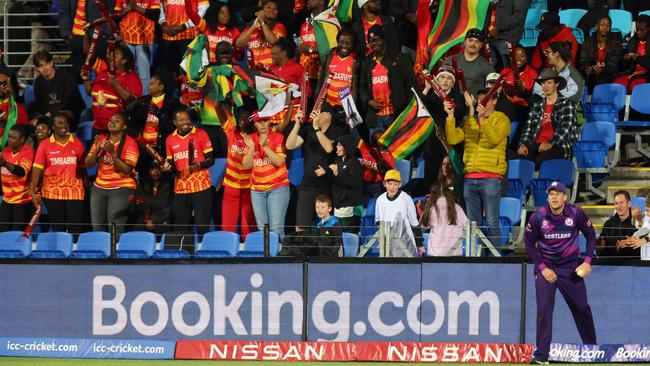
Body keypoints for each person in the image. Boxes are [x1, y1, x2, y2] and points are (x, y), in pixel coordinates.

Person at [525, 180, 597, 364]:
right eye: (551, 194)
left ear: (565, 197)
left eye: (558, 193)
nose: (554, 197)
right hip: (546, 269)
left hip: (570, 269)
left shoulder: (575, 213)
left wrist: (587, 262)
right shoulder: (538, 217)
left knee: (582, 308)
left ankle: (592, 350)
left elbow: (591, 236)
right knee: (544, 311)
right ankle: (541, 355)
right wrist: (543, 268)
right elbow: (529, 244)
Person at [445, 88, 510, 252]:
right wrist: (451, 117)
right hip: (470, 178)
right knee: (474, 224)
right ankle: (477, 257)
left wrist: (482, 120)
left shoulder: (502, 119)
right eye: (479, 99)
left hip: (491, 177)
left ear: (494, 101)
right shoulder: (470, 121)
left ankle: (496, 258)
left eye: (486, 100)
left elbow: (495, 139)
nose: (481, 103)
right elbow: (453, 139)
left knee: (492, 221)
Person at [286, 108, 344, 229]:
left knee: (324, 225)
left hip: (325, 185)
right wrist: (297, 124)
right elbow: (290, 145)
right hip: (306, 185)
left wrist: (317, 128)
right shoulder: (308, 129)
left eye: (319, 112)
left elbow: (329, 148)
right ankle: (301, 247)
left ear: (328, 115)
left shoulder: (336, 131)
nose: (314, 114)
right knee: (301, 225)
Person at [31, 113, 85, 234]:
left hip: (74, 192)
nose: (64, 126)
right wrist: (32, 191)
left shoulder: (77, 142)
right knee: (58, 228)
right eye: (59, 123)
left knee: (75, 229)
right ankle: (61, 251)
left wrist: (85, 183)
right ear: (53, 127)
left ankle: (74, 252)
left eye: (65, 123)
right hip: (52, 192)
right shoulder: (44, 145)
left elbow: (82, 167)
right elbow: (36, 169)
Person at [85, 112, 139, 234]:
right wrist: (97, 149)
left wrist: (113, 153)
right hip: (99, 187)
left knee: (114, 228)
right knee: (96, 227)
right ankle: (100, 252)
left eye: (117, 120)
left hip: (122, 187)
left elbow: (126, 170)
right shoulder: (101, 139)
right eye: (111, 120)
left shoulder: (130, 143)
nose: (112, 122)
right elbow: (88, 164)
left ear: (124, 126)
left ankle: (115, 253)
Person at [164, 109, 215, 234]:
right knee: (180, 226)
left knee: (202, 226)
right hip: (180, 188)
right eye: (181, 120)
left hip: (201, 186)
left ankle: (203, 252)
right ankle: (184, 252)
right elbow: (171, 166)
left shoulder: (201, 134)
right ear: (175, 122)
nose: (186, 122)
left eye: (187, 119)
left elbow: (211, 159)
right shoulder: (170, 139)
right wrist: (166, 169)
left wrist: (199, 165)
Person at [359, 24, 416, 133]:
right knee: (377, 149)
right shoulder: (367, 62)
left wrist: (410, 113)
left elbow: (411, 86)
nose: (373, 44)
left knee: (397, 148)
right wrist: (369, 101)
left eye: (376, 40)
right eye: (371, 41)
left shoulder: (400, 59)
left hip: (396, 116)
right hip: (375, 118)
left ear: (384, 39)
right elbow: (362, 87)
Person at [518, 69, 579, 168]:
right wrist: (523, 144)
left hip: (558, 146)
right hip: (537, 145)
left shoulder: (567, 104)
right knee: (520, 161)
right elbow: (527, 129)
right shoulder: (536, 106)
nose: (545, 86)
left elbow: (566, 129)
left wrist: (550, 143)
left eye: (549, 83)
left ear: (557, 84)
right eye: (543, 83)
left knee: (541, 161)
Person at [242, 114, 290, 236]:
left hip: (277, 188)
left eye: (265, 121)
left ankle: (279, 255)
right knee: (262, 230)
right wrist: (252, 148)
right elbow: (246, 165)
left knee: (276, 229)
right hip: (257, 191)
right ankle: (267, 255)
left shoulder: (278, 137)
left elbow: (279, 161)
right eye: (259, 122)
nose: (262, 124)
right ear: (255, 124)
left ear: (270, 122)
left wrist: (265, 147)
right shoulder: (250, 139)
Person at [421, 65, 467, 190]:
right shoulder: (429, 96)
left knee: (450, 187)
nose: (445, 81)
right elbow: (418, 109)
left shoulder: (458, 98)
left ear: (453, 83)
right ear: (436, 80)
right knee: (431, 186)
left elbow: (459, 113)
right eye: (442, 77)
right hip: (431, 147)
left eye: (448, 78)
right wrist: (426, 89)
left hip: (449, 149)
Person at [81, 44, 143, 137]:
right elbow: (91, 93)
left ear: (124, 60)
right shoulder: (102, 74)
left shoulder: (131, 77)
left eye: (116, 54)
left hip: (118, 128)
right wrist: (86, 80)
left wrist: (116, 85)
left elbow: (133, 101)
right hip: (98, 127)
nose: (111, 57)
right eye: (110, 54)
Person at [221, 105, 257, 240]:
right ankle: (226, 251)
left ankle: (248, 253)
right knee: (227, 225)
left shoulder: (257, 136)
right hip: (231, 186)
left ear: (252, 120)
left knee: (248, 226)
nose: (242, 119)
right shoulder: (231, 132)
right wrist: (219, 101)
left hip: (249, 187)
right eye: (240, 117)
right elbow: (219, 111)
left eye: (245, 117)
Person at [317, 135, 363, 232]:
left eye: (339, 145)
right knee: (339, 238)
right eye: (337, 145)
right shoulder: (337, 161)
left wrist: (338, 173)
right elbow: (334, 178)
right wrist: (325, 173)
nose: (337, 147)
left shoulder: (354, 162)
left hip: (350, 208)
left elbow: (353, 183)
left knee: (349, 239)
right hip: (338, 207)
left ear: (347, 146)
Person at [316, 29, 360, 130]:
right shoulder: (329, 56)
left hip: (346, 108)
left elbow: (357, 87)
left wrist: (351, 111)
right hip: (327, 106)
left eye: (348, 43)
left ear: (353, 44)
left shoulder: (357, 61)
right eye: (341, 42)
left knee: (343, 139)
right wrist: (318, 104)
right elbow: (321, 81)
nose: (344, 46)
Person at [114, 0, 160, 94]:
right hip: (125, 40)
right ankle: (128, 101)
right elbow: (115, 16)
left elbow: (155, 15)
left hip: (144, 40)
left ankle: (143, 102)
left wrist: (136, 7)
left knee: (144, 76)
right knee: (127, 74)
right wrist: (124, 12)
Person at [375, 169, 424, 257]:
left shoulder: (406, 199)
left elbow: (414, 223)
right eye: (390, 184)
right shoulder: (380, 200)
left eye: (395, 184)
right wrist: (381, 241)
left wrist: (419, 243)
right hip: (387, 245)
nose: (392, 187)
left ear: (400, 185)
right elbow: (378, 222)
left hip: (405, 244)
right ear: (384, 184)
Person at [32, 51, 83, 129]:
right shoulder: (38, 82)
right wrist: (46, 114)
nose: (45, 68)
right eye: (41, 66)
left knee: (56, 120)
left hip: (69, 113)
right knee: (34, 124)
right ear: (37, 69)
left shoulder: (67, 78)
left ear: (52, 63)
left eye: (47, 64)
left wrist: (52, 113)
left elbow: (69, 102)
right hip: (49, 115)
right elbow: (40, 104)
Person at [156, 0, 208, 73]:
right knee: (168, 72)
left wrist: (185, 26)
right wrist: (163, 24)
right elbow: (160, 8)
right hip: (168, 36)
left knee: (187, 71)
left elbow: (203, 10)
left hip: (189, 36)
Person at [0, 125, 34, 231]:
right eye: (9, 137)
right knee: (2, 232)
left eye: (13, 138)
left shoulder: (28, 151)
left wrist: (4, 163)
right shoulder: (5, 151)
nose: (9, 140)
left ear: (22, 139)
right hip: (7, 199)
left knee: (17, 233)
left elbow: (21, 171)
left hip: (22, 201)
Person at [236, 0, 286, 71]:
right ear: (261, 11)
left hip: (271, 71)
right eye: (268, 8)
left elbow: (273, 41)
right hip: (252, 71)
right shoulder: (251, 28)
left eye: (276, 9)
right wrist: (253, 27)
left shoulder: (279, 27)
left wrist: (262, 22)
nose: (272, 10)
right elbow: (238, 44)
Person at [420, 182, 468, 256]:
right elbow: (468, 227)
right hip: (455, 254)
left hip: (436, 253)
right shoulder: (457, 208)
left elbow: (423, 225)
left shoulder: (431, 209)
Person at [446, 28, 495, 97]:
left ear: (481, 45)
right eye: (470, 40)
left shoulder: (486, 66)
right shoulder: (451, 60)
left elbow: (492, 91)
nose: (473, 44)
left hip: (474, 105)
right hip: (451, 104)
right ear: (465, 42)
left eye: (477, 41)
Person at [579, 14, 623, 90]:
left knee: (601, 82)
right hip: (591, 74)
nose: (605, 28)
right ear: (596, 26)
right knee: (581, 82)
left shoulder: (616, 44)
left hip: (607, 74)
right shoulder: (588, 42)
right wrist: (586, 68)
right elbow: (583, 60)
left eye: (608, 26)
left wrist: (602, 71)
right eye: (602, 25)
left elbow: (614, 66)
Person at [127, 163, 172, 235]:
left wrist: (154, 220)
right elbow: (134, 210)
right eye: (152, 169)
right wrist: (136, 204)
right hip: (143, 222)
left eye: (158, 169)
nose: (155, 172)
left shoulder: (168, 187)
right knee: (135, 231)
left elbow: (169, 208)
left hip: (160, 222)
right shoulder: (142, 187)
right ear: (148, 171)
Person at [484, 0, 528, 70]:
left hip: (506, 38)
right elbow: (491, 12)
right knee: (492, 69)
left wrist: (498, 28)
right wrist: (485, 32)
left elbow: (518, 16)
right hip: (491, 37)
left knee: (507, 69)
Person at [613, 14, 650, 93]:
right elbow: (623, 66)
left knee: (635, 87)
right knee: (616, 86)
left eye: (642, 30)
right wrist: (625, 59)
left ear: (649, 29)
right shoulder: (633, 41)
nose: (639, 32)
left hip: (646, 75)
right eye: (637, 29)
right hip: (631, 73)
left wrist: (639, 58)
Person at [598, 190, 640, 257]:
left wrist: (626, 245)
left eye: (621, 202)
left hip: (631, 264)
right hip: (608, 263)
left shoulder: (637, 223)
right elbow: (601, 248)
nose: (619, 206)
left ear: (629, 204)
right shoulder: (608, 223)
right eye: (616, 203)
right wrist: (599, 245)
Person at [359, 130, 395, 199]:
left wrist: (379, 168)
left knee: (375, 205)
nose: (378, 141)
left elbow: (393, 171)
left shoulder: (387, 155)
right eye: (376, 138)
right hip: (364, 183)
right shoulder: (365, 148)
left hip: (378, 185)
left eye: (380, 138)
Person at [0, 65, 29, 148]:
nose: (1, 87)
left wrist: (10, 95)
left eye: (4, 83)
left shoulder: (18, 109)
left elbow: (8, 118)